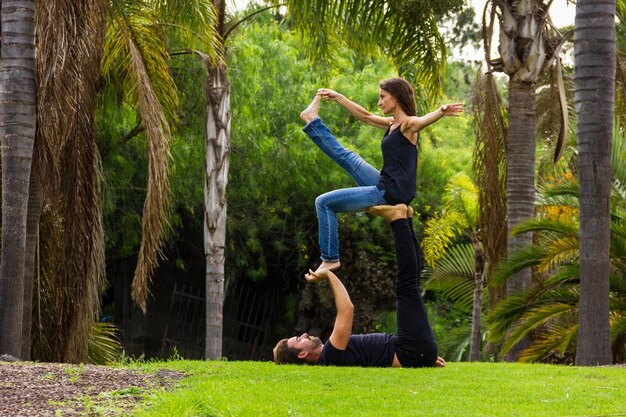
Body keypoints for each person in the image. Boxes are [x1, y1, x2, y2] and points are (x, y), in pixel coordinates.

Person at [300, 78, 463, 275]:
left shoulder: (408, 125)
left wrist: (441, 111)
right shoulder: (392, 124)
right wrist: (338, 98)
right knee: (349, 158)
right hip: (386, 183)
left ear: (396, 98)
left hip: (390, 192)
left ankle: (330, 258)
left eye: (382, 97)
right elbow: (366, 117)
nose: (379, 102)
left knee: (324, 203)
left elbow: (421, 121)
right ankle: (312, 121)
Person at [273, 203, 445, 368]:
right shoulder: (330, 356)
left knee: (410, 284)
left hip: (413, 351)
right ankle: (399, 220)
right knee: (406, 286)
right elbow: (347, 309)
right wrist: (328, 274)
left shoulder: (330, 353)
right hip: (410, 350)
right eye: (298, 340)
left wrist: (423, 358)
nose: (303, 334)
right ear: (302, 354)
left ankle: (404, 219)